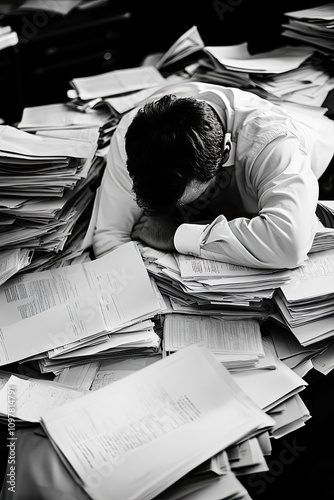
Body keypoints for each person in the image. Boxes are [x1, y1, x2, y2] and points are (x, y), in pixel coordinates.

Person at [92, 81, 334, 269]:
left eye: (183, 200)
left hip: (325, 165)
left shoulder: (274, 143)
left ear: (224, 153)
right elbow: (110, 237)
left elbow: (289, 244)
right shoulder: (134, 135)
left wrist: (176, 235)